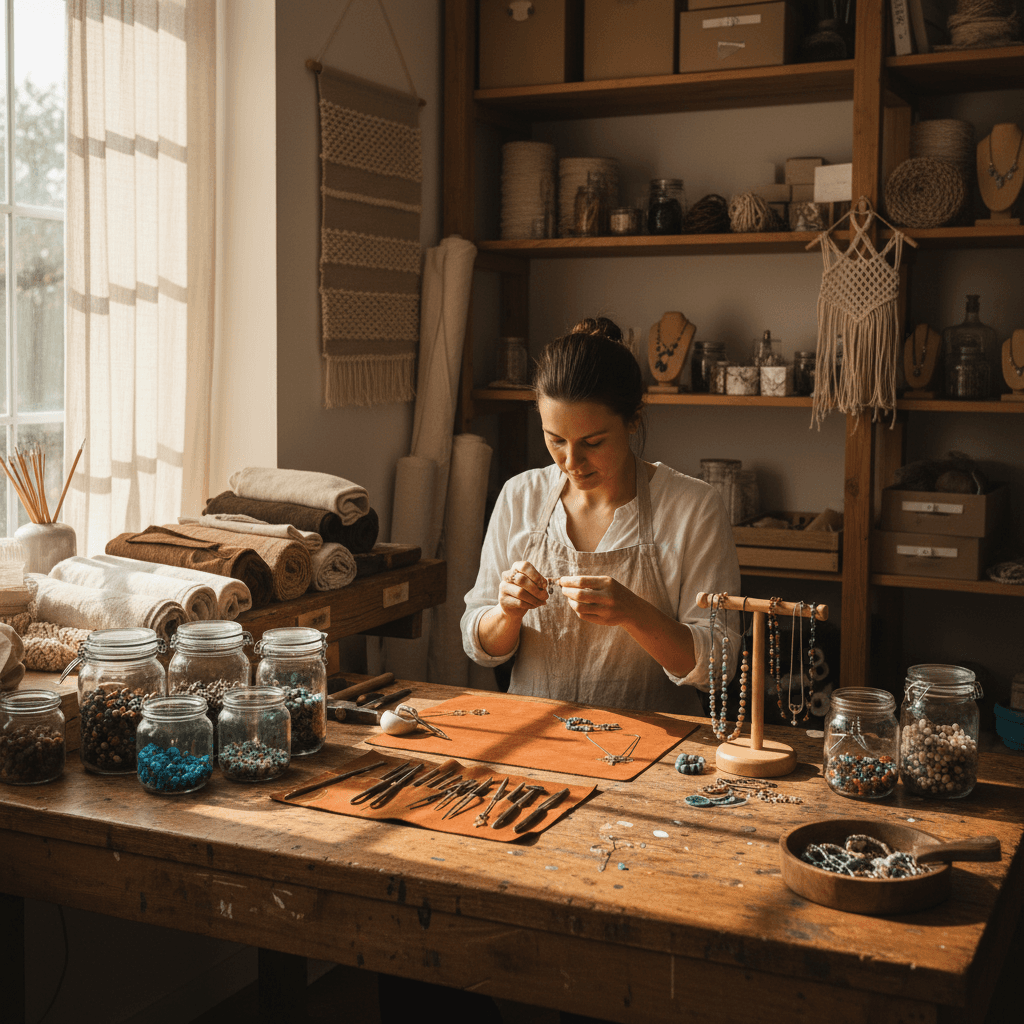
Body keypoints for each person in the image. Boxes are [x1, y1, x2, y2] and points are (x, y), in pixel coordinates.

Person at [461, 316, 741, 717]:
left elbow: (719, 667)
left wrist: (634, 612)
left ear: (633, 421)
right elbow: (482, 648)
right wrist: (506, 613)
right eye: (555, 440)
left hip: (657, 752)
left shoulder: (693, 507)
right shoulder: (520, 496)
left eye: (592, 442)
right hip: (535, 736)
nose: (571, 462)